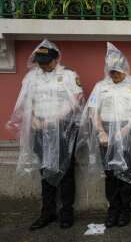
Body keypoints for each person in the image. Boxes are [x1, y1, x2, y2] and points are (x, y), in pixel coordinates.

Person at [7, 39, 84, 230]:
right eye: (40, 61)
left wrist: (55, 118)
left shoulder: (68, 75)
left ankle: (66, 212)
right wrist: (31, 117)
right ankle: (47, 212)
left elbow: (76, 101)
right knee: (45, 170)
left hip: (63, 128)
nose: (43, 65)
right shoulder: (31, 77)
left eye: (47, 61)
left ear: (56, 59)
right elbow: (24, 101)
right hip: (39, 128)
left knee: (65, 170)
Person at [78, 43, 131, 227]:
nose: (115, 75)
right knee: (110, 173)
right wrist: (101, 131)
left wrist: (123, 132)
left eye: (117, 71)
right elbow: (93, 110)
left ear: (125, 69)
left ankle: (125, 209)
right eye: (111, 72)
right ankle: (113, 209)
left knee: (127, 171)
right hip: (106, 132)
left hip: (129, 132)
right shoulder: (101, 86)